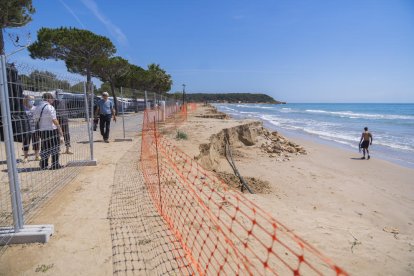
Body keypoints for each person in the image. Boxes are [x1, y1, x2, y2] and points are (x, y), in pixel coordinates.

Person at [34, 92, 64, 170]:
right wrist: (60, 130)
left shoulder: (37, 107)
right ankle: (55, 164)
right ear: (48, 99)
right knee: (55, 148)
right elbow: (54, 120)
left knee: (44, 148)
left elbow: (35, 119)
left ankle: (43, 164)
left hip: (42, 131)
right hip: (52, 130)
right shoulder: (50, 107)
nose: (53, 100)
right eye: (52, 98)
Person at [22, 95, 40, 162]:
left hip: (35, 128)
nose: (32, 101)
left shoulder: (36, 108)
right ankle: (25, 157)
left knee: (36, 142)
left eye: (33, 100)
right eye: (30, 100)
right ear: (26, 100)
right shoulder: (23, 109)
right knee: (26, 143)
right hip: (26, 129)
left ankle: (37, 156)